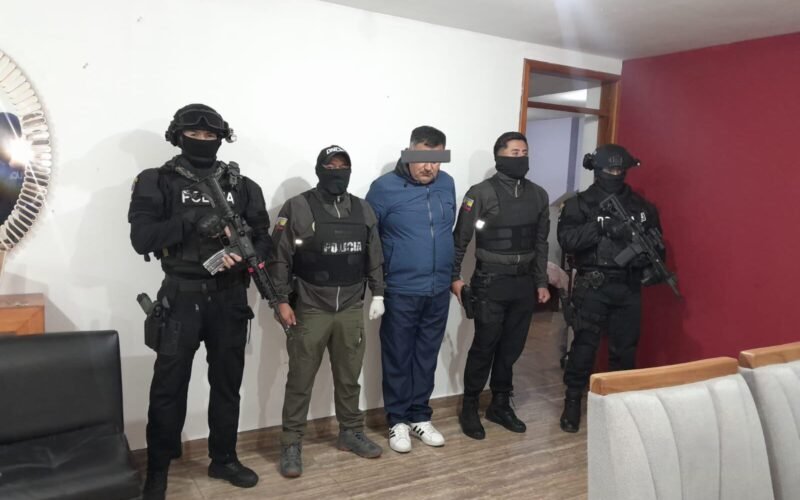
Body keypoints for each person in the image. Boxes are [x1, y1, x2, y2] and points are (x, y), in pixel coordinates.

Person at [128, 104, 271, 499]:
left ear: (221, 139)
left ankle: (223, 458)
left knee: (227, 384)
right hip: (182, 296)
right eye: (195, 135)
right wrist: (190, 221)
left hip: (230, 297)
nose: (203, 141)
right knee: (168, 387)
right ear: (178, 137)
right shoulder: (157, 181)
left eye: (211, 136)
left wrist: (243, 253)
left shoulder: (243, 186)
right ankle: (158, 468)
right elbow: (141, 239)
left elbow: (263, 238)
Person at [269, 145, 386, 478]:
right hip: (309, 307)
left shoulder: (363, 209)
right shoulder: (298, 206)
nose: (337, 171)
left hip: (351, 306)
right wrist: (280, 301)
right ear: (320, 170)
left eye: (343, 166)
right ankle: (291, 443)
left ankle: (351, 432)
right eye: (331, 166)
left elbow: (374, 254)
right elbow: (279, 257)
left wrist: (379, 293)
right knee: (300, 380)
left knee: (349, 378)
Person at [557, 143, 663, 433]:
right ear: (597, 169)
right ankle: (572, 401)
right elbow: (568, 241)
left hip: (628, 286)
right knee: (584, 347)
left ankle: (619, 408)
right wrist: (600, 227)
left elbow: (656, 242)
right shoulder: (580, 204)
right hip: (593, 285)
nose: (615, 174)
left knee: (625, 350)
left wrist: (651, 265)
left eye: (619, 170)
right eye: (609, 169)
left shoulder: (641, 206)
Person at [451, 132, 550, 440]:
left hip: (523, 285)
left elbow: (541, 242)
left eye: (525, 152)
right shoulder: (480, 193)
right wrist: (454, 277)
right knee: (485, 346)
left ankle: (500, 404)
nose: (521, 158)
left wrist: (541, 281)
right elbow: (460, 239)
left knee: (511, 349)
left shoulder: (539, 195)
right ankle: (470, 406)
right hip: (491, 282)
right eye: (515, 152)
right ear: (499, 156)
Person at [365, 126, 456, 453]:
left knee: (426, 356)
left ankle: (420, 416)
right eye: (422, 158)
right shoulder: (383, 188)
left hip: (438, 289)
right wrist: (378, 289)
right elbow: (370, 242)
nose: (429, 167)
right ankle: (397, 421)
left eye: (436, 160)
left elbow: (447, 230)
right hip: (401, 289)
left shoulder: (447, 184)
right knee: (398, 357)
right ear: (409, 153)